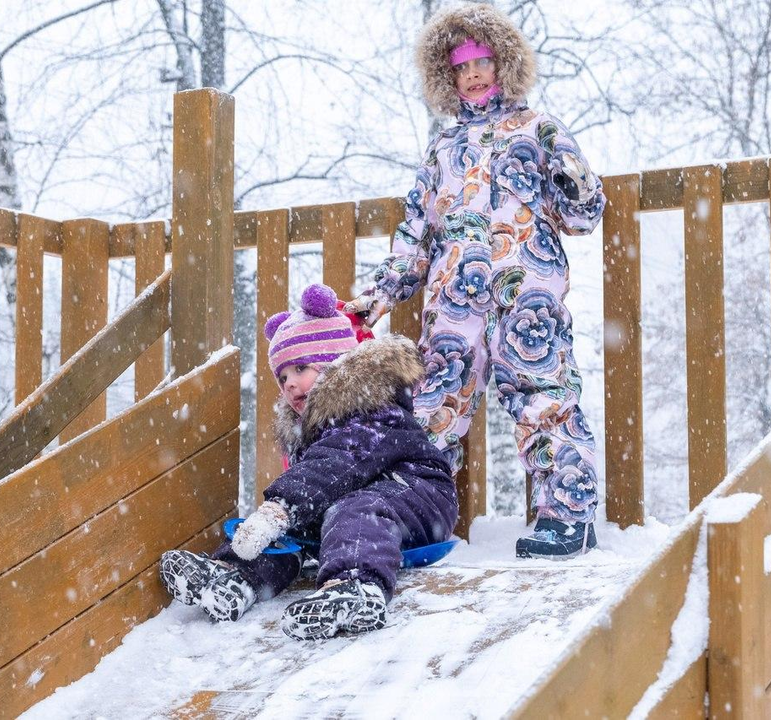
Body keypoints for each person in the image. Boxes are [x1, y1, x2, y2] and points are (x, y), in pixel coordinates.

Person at [346, 4, 606, 558]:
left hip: (527, 293)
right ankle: (406, 520)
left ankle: (567, 516)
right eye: (460, 67)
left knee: (544, 397)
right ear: (447, 79)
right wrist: (381, 294)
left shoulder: (537, 129)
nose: (473, 74)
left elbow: (582, 215)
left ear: (504, 64)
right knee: (433, 407)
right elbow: (416, 232)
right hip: (454, 302)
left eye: (482, 60)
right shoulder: (443, 149)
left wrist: (569, 169)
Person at [159, 284, 458, 640]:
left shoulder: (371, 408)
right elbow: (322, 479)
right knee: (297, 528)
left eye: (301, 368)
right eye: (282, 376)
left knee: (353, 509)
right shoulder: (310, 428)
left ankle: (355, 588)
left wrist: (279, 508)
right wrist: (280, 522)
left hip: (417, 495)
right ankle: (235, 577)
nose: (289, 383)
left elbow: (335, 463)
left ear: (336, 365)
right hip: (357, 502)